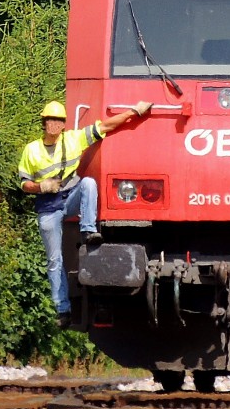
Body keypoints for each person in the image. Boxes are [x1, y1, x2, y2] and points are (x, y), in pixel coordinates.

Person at [18, 98, 153, 328]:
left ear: (63, 124)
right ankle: (62, 310)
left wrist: (133, 111)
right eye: (49, 120)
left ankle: (88, 230)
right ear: (44, 123)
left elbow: (106, 126)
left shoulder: (73, 139)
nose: (52, 124)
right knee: (54, 261)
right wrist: (41, 186)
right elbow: (23, 184)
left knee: (89, 183)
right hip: (48, 208)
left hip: (69, 198)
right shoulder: (32, 150)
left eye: (57, 120)